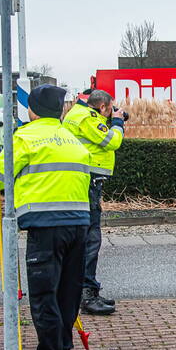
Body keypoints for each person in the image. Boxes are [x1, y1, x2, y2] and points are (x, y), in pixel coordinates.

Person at [0, 85, 91, 350]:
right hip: (79, 225)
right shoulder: (73, 139)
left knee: (44, 297)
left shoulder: (26, 137)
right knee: (68, 296)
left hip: (46, 227)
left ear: (34, 109)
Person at [63, 89, 124, 315]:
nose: (110, 113)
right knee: (91, 239)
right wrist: (117, 122)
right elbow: (112, 141)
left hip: (82, 181)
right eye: (110, 109)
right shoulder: (87, 118)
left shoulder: (76, 115)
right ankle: (87, 293)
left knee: (85, 238)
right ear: (103, 107)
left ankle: (85, 290)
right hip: (87, 182)